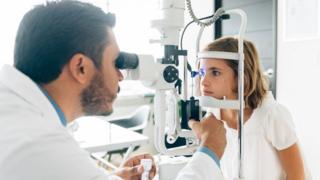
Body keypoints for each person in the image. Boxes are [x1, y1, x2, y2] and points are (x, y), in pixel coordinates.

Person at [0, 1, 227, 180]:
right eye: (114, 63)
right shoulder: (42, 146)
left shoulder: (16, 113)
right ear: (81, 67)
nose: (120, 75)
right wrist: (209, 151)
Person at [197, 37, 307, 180]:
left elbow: (297, 176)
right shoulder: (213, 116)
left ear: (241, 76)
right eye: (202, 73)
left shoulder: (271, 115)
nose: (204, 81)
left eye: (215, 72)